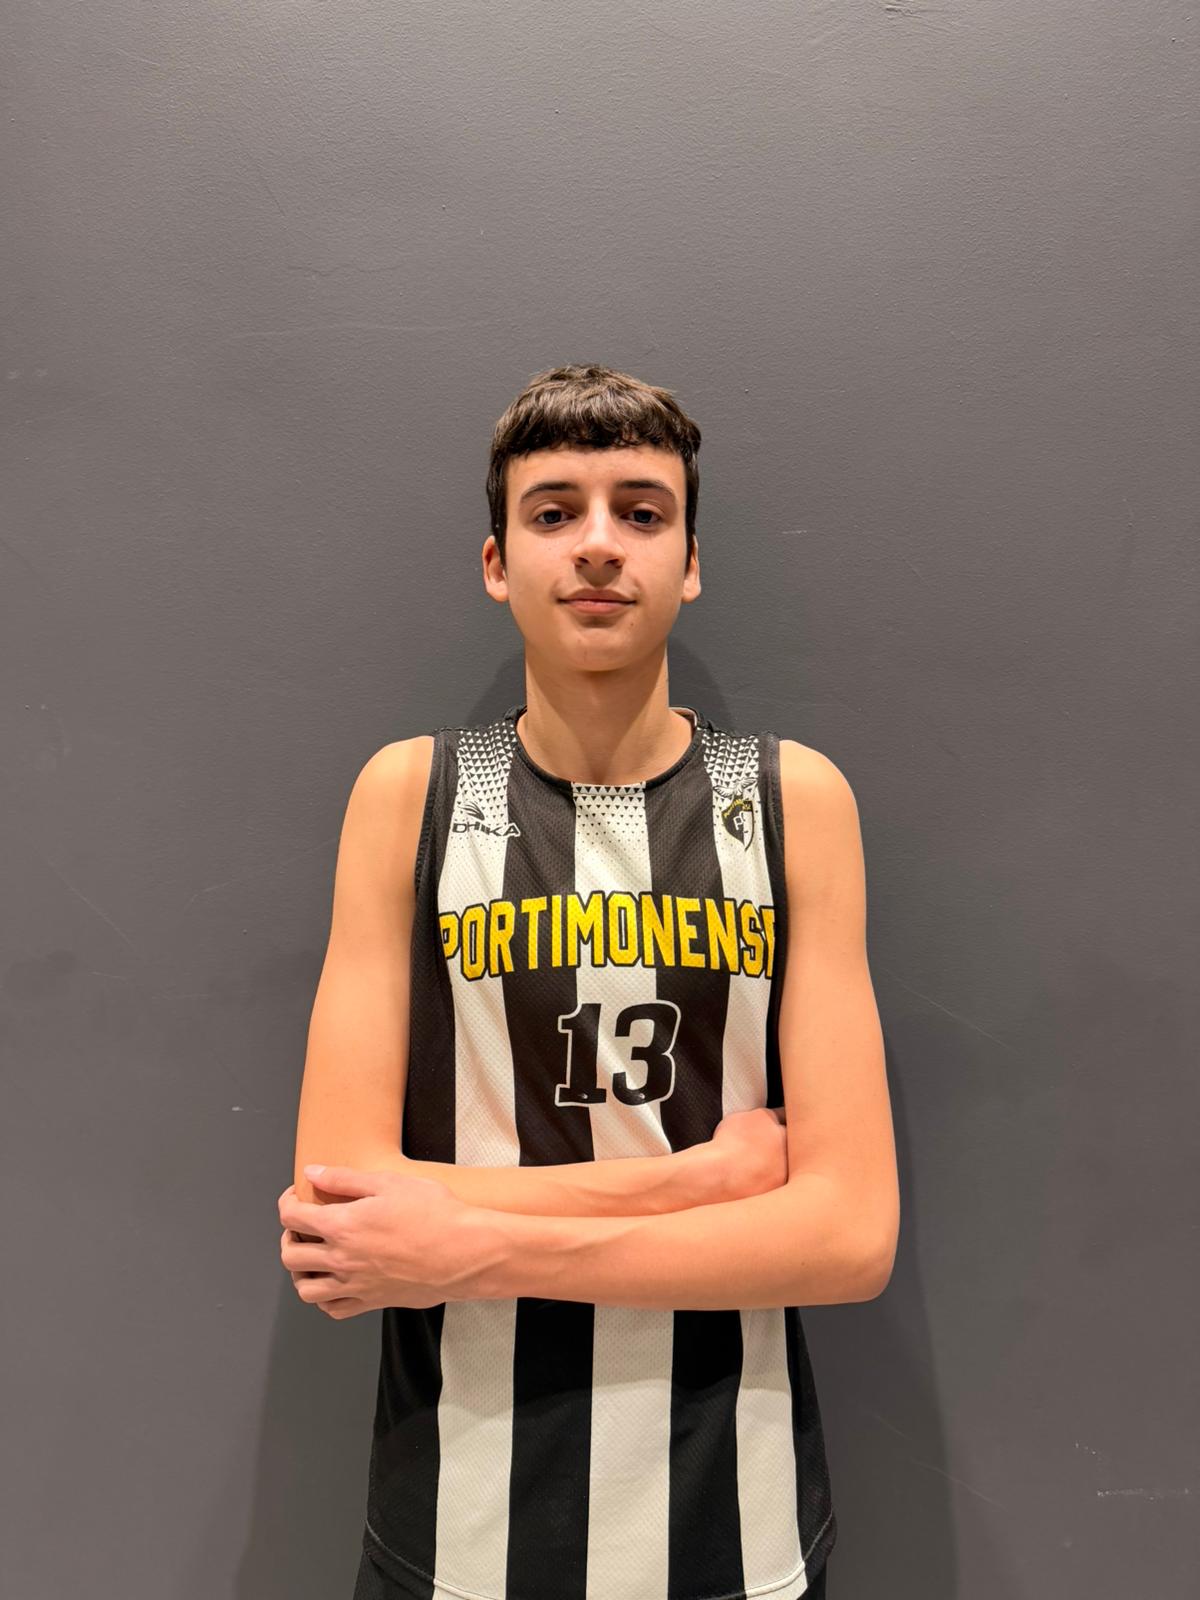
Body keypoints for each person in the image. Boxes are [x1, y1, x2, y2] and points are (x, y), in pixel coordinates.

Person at [278, 362, 900, 1599]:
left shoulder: (791, 800)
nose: (600, 544)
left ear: (692, 560)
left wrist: (459, 1242)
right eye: (555, 511)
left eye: (642, 511)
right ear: (497, 561)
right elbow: (341, 1217)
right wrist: (692, 1183)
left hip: (734, 1521)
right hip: (455, 1528)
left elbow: (848, 1236)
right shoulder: (411, 795)